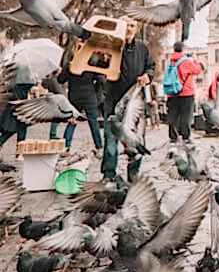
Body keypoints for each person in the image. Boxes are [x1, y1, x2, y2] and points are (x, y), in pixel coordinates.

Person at [101, 18, 155, 181]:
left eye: (132, 25)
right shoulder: (110, 46)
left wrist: (148, 76)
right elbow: (97, 65)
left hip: (135, 101)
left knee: (134, 140)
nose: (128, 28)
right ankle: (109, 174)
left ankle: (133, 174)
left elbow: (151, 66)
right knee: (111, 141)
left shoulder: (142, 48)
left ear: (136, 29)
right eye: (125, 25)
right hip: (113, 101)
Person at [57, 64, 103, 154]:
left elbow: (60, 80)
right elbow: (101, 80)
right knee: (93, 122)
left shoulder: (71, 64)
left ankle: (66, 147)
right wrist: (95, 91)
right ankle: (99, 147)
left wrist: (65, 70)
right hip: (89, 96)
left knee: (72, 121)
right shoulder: (90, 63)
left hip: (74, 96)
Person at [165, 42, 204, 142]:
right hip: (186, 93)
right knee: (186, 116)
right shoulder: (187, 61)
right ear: (183, 49)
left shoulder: (169, 61)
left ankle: (173, 137)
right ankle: (186, 137)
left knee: (173, 115)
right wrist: (195, 60)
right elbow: (198, 70)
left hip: (172, 93)